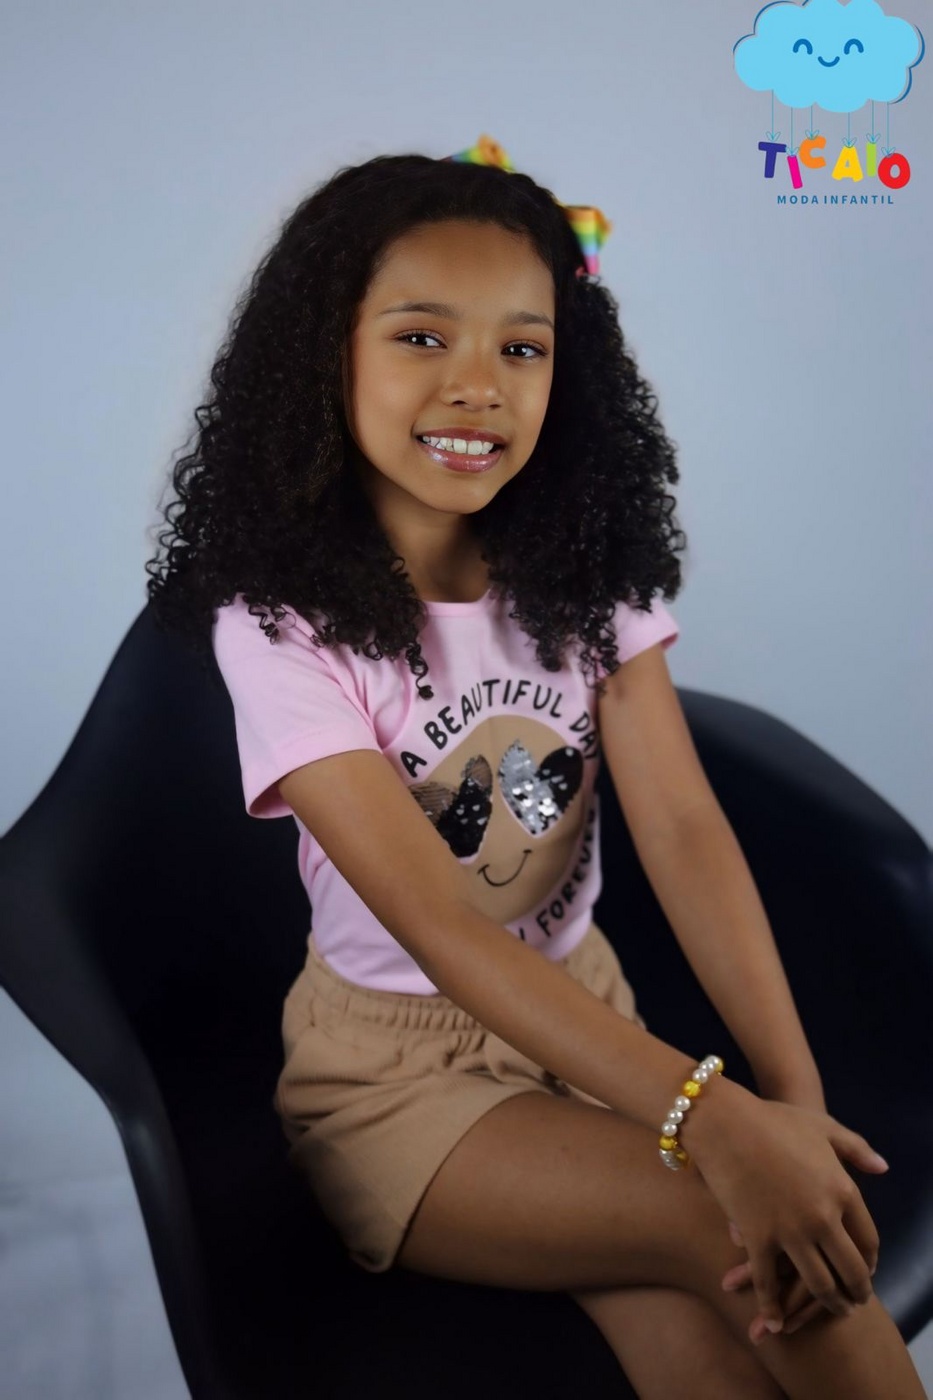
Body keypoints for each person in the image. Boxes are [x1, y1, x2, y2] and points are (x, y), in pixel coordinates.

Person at [145, 138, 926, 1399]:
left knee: (736, 1319)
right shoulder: (282, 625)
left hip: (589, 1024)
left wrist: (790, 1097)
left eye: (522, 347)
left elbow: (684, 826)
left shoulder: (581, 573)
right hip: (399, 1080)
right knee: (732, 1223)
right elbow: (447, 928)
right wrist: (719, 1120)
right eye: (420, 337)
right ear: (322, 355)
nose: (477, 386)